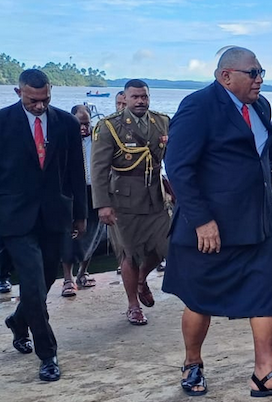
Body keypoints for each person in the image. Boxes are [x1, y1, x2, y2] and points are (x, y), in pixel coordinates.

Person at [162, 46, 272, 398]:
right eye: (253, 73)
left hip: (255, 224)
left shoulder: (260, 106)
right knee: (200, 300)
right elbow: (178, 167)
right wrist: (201, 221)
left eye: (261, 73)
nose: (260, 80)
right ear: (226, 76)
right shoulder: (198, 106)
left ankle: (265, 374)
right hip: (210, 229)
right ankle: (192, 363)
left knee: (267, 298)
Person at [0, 69, 87, 381]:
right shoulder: (3, 122)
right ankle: (48, 354)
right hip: (14, 217)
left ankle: (19, 320)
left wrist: (81, 214)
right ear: (18, 91)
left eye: (45, 100)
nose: (39, 106)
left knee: (48, 276)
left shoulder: (66, 123)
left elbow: (76, 170)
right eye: (32, 100)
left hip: (55, 214)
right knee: (33, 283)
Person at [90, 80, 170, 326]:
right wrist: (102, 205)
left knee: (167, 248)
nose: (140, 101)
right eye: (135, 97)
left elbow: (173, 157)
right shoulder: (108, 126)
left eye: (144, 97)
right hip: (123, 199)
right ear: (125, 98)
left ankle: (141, 278)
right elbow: (99, 168)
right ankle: (133, 305)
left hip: (156, 197)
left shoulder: (162, 121)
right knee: (130, 254)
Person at [60, 105, 106, 297]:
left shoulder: (97, 140)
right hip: (71, 192)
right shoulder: (65, 140)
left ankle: (83, 273)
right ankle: (67, 278)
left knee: (94, 233)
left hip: (94, 190)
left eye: (87, 124)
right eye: (80, 124)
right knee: (71, 235)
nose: (84, 128)